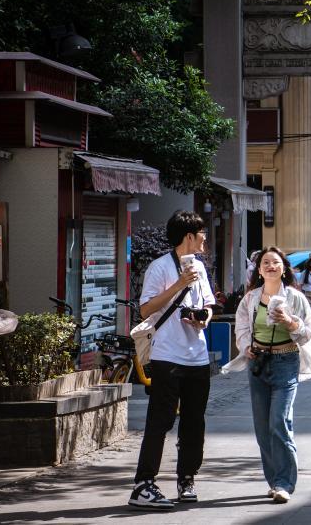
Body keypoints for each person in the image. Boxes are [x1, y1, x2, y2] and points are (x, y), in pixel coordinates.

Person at [128, 211, 215, 509]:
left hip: (197, 356)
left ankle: (186, 478)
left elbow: (208, 304)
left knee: (194, 422)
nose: (204, 237)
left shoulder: (199, 267)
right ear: (189, 236)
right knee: (160, 420)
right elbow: (145, 310)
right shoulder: (160, 267)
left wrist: (204, 318)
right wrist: (178, 284)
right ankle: (143, 485)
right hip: (167, 355)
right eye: (201, 233)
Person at [232, 247, 311, 503]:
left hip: (286, 361)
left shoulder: (295, 298)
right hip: (258, 363)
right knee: (262, 428)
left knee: (278, 422)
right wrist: (246, 347)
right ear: (259, 270)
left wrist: (290, 322)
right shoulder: (250, 299)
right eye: (266, 263)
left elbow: (309, 330)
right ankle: (273, 481)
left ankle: (284, 483)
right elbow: (242, 327)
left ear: (284, 269)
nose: (271, 266)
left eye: (276, 262)